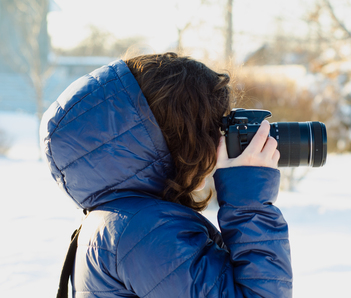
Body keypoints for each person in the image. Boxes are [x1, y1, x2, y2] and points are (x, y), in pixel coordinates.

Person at [41, 52, 293, 297]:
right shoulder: (144, 234)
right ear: (185, 138)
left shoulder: (124, 221)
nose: (221, 143)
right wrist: (249, 200)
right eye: (214, 128)